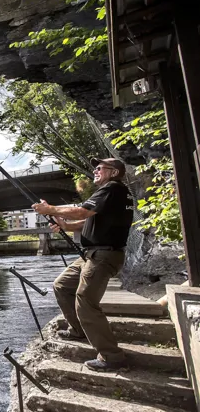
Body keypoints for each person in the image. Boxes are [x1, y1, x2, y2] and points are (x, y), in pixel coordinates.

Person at [32, 158, 134, 372]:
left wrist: (49, 208)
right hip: (92, 254)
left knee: (85, 300)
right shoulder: (113, 193)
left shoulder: (112, 189)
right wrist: (64, 225)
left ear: (113, 172)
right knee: (61, 286)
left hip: (104, 255)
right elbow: (86, 221)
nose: (94, 171)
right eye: (94, 167)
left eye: (99, 168)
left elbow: (82, 212)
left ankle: (112, 356)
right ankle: (78, 330)